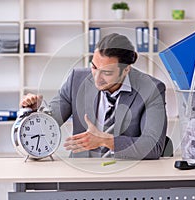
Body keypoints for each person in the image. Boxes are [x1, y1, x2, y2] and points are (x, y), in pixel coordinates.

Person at [21, 33, 167, 160]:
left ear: (126, 70)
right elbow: (48, 125)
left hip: (126, 174)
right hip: (81, 174)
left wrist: (106, 141)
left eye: (107, 73)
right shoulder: (76, 80)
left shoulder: (151, 89)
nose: (97, 78)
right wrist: (33, 114)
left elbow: (153, 146)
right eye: (94, 67)